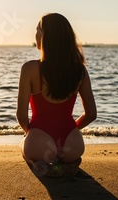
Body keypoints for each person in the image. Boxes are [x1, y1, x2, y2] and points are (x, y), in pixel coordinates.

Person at [16, 13, 96, 177]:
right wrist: (72, 128)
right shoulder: (80, 71)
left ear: (45, 36)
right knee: (67, 155)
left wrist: (30, 133)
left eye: (38, 30)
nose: (35, 34)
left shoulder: (30, 69)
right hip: (72, 144)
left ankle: (39, 163)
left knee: (23, 145)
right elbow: (91, 114)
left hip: (40, 143)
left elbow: (22, 117)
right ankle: (69, 162)